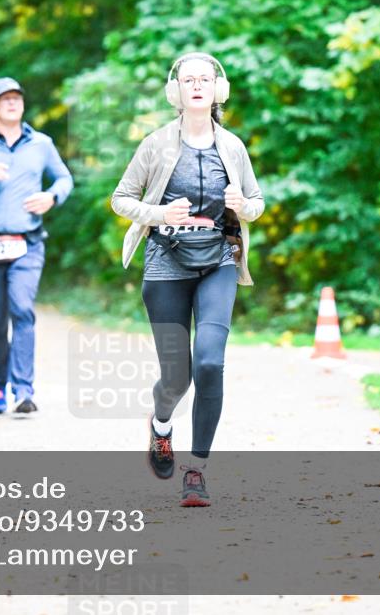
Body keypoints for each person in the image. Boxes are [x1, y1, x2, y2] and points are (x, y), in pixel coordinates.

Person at [110, 52, 265, 507]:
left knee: (210, 365)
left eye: (205, 79)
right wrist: (158, 213)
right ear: (176, 92)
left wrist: (242, 205)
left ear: (217, 89)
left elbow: (256, 202)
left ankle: (196, 471)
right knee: (176, 379)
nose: (197, 85)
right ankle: (161, 427)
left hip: (218, 262)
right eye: (188, 79)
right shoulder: (156, 144)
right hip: (166, 265)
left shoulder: (233, 147)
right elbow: (121, 198)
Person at [0, 77, 74, 415]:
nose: (11, 103)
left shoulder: (41, 143)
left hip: (28, 243)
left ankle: (24, 391)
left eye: (16, 98)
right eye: (3, 99)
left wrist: (51, 196)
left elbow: (64, 178)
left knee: (22, 309)